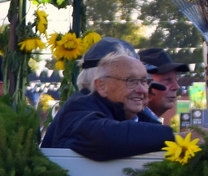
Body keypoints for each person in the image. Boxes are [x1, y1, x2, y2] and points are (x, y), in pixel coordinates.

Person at [40, 41, 174, 160]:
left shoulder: (125, 112)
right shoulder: (77, 110)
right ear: (101, 84)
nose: (143, 90)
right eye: (131, 80)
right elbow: (105, 137)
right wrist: (177, 137)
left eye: (144, 81)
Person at [138, 47, 186, 126]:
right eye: (167, 80)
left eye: (176, 80)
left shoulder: (147, 125)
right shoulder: (130, 127)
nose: (176, 87)